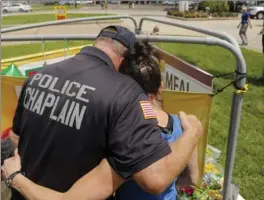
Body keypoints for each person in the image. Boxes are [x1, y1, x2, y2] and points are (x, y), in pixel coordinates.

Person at [4, 25, 203, 200]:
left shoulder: (39, 76)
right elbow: (155, 179)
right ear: (125, 61)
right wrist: (192, 132)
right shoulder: (125, 94)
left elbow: (16, 136)